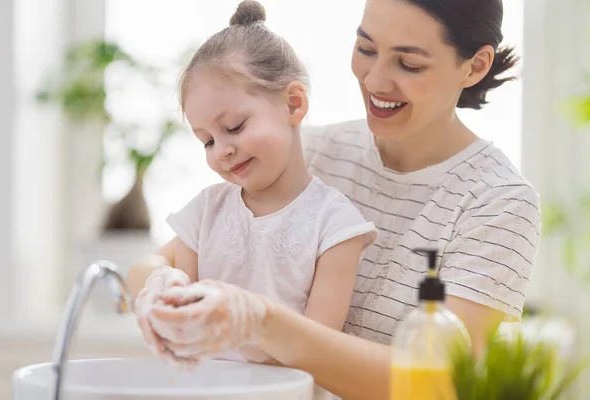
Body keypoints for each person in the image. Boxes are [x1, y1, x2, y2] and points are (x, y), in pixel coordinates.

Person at [141, 0, 542, 399]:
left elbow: (436, 382)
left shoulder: (498, 202)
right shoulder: (308, 152)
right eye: (366, 49)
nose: (375, 81)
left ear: (474, 66)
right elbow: (165, 261)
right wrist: (157, 288)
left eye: (409, 64)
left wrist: (262, 322)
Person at [127, 0, 378, 373]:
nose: (222, 151)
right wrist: (163, 289)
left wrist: (250, 329)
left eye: (235, 126)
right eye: (207, 141)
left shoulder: (335, 225)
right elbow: (179, 322)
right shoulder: (204, 213)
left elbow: (318, 352)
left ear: (293, 103)